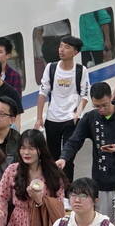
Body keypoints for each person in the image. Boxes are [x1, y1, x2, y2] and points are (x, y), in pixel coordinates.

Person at [57, 82, 115, 221]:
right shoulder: (90, 118)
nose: (101, 109)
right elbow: (74, 141)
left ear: (111, 98)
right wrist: (64, 158)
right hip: (101, 182)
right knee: (103, 222)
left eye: (104, 105)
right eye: (97, 106)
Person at [35, 36, 90, 181]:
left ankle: (67, 188)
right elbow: (43, 93)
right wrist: (39, 117)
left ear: (75, 52)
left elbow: (85, 95)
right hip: (52, 118)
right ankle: (54, 186)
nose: (61, 50)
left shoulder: (81, 70)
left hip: (70, 120)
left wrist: (78, 113)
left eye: (66, 47)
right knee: (52, 157)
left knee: (67, 158)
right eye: (61, 46)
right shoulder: (51, 68)